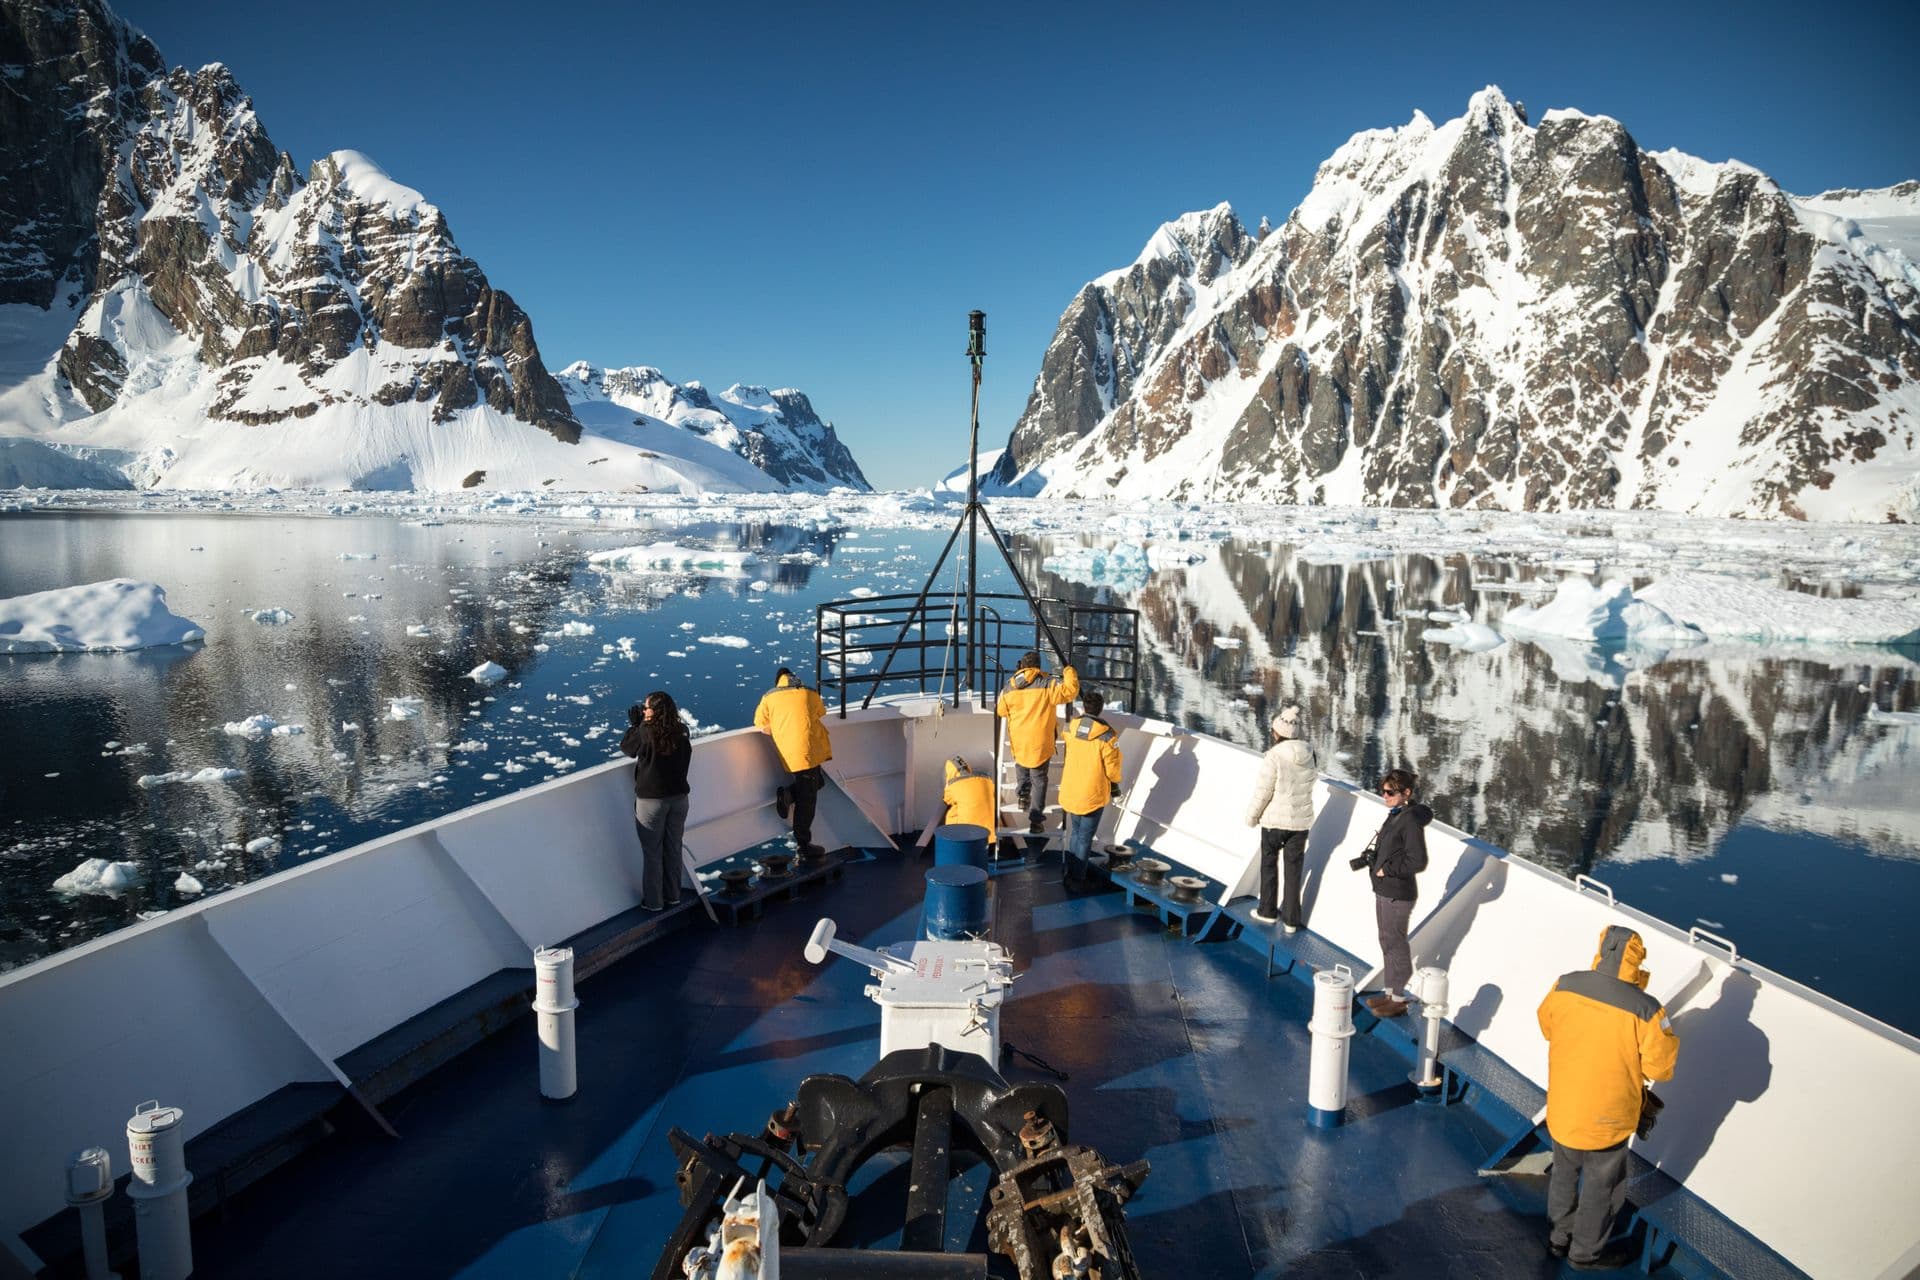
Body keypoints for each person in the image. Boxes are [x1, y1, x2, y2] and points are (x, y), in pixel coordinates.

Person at [1537, 926, 1681, 1270]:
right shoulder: (1647, 1010)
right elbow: (1660, 1069)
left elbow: (1547, 1026)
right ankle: (1584, 1254)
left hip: (1564, 1107)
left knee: (1564, 1174)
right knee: (1602, 1187)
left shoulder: (1565, 984)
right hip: (1609, 1118)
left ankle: (1558, 1239)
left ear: (1602, 949)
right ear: (1636, 958)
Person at [1243, 703, 1317, 931]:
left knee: (1269, 864)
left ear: (1277, 732)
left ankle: (1267, 912)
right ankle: (1292, 920)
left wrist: (1251, 817)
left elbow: (1263, 792)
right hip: (1300, 823)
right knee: (1293, 871)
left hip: (1274, 822)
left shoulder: (1273, 756)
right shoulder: (1310, 754)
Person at [1363, 768, 1429, 1018]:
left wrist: (1387, 869)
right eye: (1383, 791)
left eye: (1390, 792)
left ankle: (1399, 999)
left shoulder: (1409, 821)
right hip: (1385, 890)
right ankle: (1390, 993)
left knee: (1395, 942)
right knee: (1386, 940)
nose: (1385, 796)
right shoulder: (1396, 815)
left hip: (1398, 893)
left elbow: (1418, 860)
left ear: (1406, 793)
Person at [619, 690, 691, 911]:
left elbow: (627, 748)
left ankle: (654, 903)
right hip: (679, 799)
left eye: (646, 707)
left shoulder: (645, 731)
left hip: (652, 801)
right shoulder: (682, 731)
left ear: (655, 711)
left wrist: (635, 726)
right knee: (673, 848)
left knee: (652, 853)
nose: (643, 710)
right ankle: (673, 896)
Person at [995, 650, 1079, 833]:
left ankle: (1022, 796)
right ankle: (1036, 821)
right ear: (1038, 666)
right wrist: (1069, 671)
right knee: (1039, 780)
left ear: (1022, 666)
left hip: (1019, 741)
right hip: (1040, 742)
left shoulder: (1009, 687)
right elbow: (1070, 691)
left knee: (1021, 766)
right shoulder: (1048, 684)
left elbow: (1001, 711)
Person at [753, 667, 832, 857]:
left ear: (778, 681)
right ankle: (804, 845)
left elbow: (760, 723)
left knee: (818, 782)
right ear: (794, 678)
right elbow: (821, 712)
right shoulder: (809, 692)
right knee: (807, 800)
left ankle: (789, 795)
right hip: (808, 752)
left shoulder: (769, 697)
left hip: (789, 752)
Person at [1057, 689, 1122, 888]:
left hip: (1072, 789)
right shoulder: (1108, 735)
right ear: (1100, 709)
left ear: (1084, 707)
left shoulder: (1070, 728)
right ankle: (1077, 880)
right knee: (1085, 838)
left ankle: (1070, 873)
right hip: (1092, 793)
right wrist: (1115, 784)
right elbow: (1113, 769)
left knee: (1076, 834)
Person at [940, 756, 996, 849]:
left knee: (951, 813)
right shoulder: (987, 779)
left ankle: (954, 843)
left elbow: (947, 801)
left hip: (968, 834)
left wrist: (947, 786)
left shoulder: (953, 785)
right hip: (991, 832)